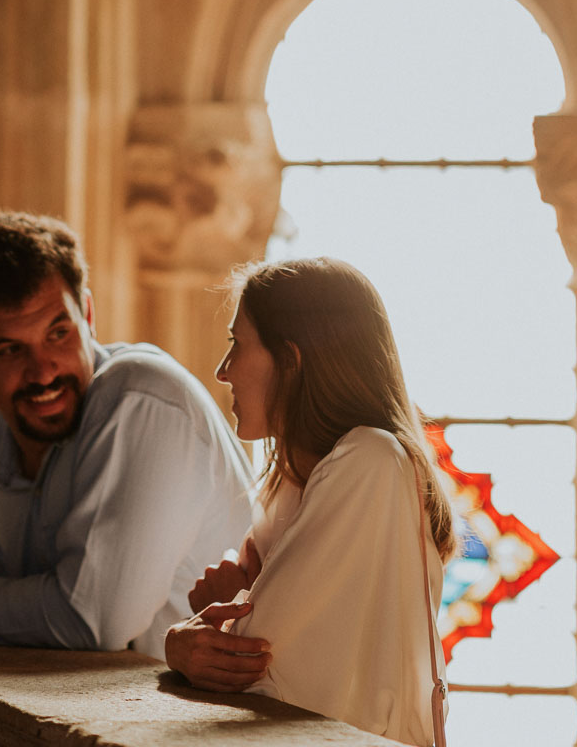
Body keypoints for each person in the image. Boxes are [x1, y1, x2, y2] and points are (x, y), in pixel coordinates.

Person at [0, 212, 252, 657]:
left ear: (88, 316)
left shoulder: (141, 396)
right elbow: (28, 589)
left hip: (196, 716)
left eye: (58, 333)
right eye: (10, 349)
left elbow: (92, 619)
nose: (43, 371)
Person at [164, 257, 454, 745]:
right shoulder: (288, 483)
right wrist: (185, 640)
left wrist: (206, 620)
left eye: (237, 345)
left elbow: (258, 659)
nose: (222, 371)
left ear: (292, 360)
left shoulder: (370, 460)